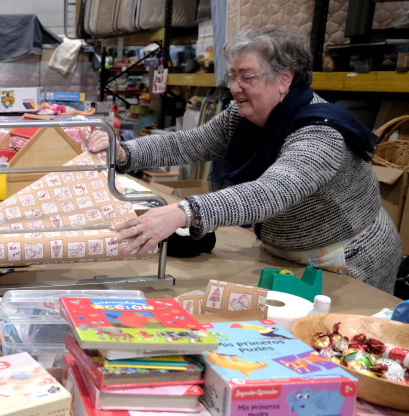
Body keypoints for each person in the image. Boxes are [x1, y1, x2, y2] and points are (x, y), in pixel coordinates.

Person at [87, 28, 401, 293]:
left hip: (348, 261)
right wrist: (126, 151)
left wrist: (184, 212)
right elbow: (192, 142)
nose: (235, 87)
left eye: (246, 77)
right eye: (233, 76)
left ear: (285, 79)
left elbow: (273, 191)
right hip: (284, 252)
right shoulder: (244, 114)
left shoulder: (320, 133)